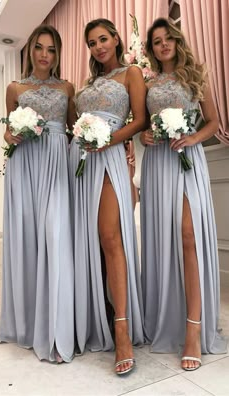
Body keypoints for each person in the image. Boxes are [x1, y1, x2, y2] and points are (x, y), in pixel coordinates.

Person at [140, 18, 228, 371]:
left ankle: (193, 329)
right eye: (157, 41)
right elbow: (144, 123)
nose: (163, 45)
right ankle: (168, 318)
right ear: (152, 48)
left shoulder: (194, 76)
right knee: (164, 241)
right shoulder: (147, 83)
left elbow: (212, 120)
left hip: (187, 159)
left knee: (188, 236)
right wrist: (145, 136)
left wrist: (193, 138)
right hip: (158, 163)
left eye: (168, 39)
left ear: (177, 41)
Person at [69, 18, 146, 375]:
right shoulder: (87, 85)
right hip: (81, 161)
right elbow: (74, 121)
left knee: (110, 237)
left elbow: (140, 120)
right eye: (92, 42)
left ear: (116, 39)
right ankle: (96, 315)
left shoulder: (131, 74)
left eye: (103, 39)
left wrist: (108, 141)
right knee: (90, 242)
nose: (98, 46)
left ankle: (123, 329)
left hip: (110, 156)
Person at [0, 24, 76, 363]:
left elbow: (76, 127)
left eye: (52, 49)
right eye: (40, 48)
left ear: (58, 54)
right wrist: (11, 136)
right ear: (31, 49)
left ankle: (58, 333)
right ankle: (31, 324)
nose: (45, 55)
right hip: (26, 166)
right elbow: (7, 131)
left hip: (57, 164)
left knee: (55, 239)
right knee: (30, 242)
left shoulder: (68, 86)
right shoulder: (15, 87)